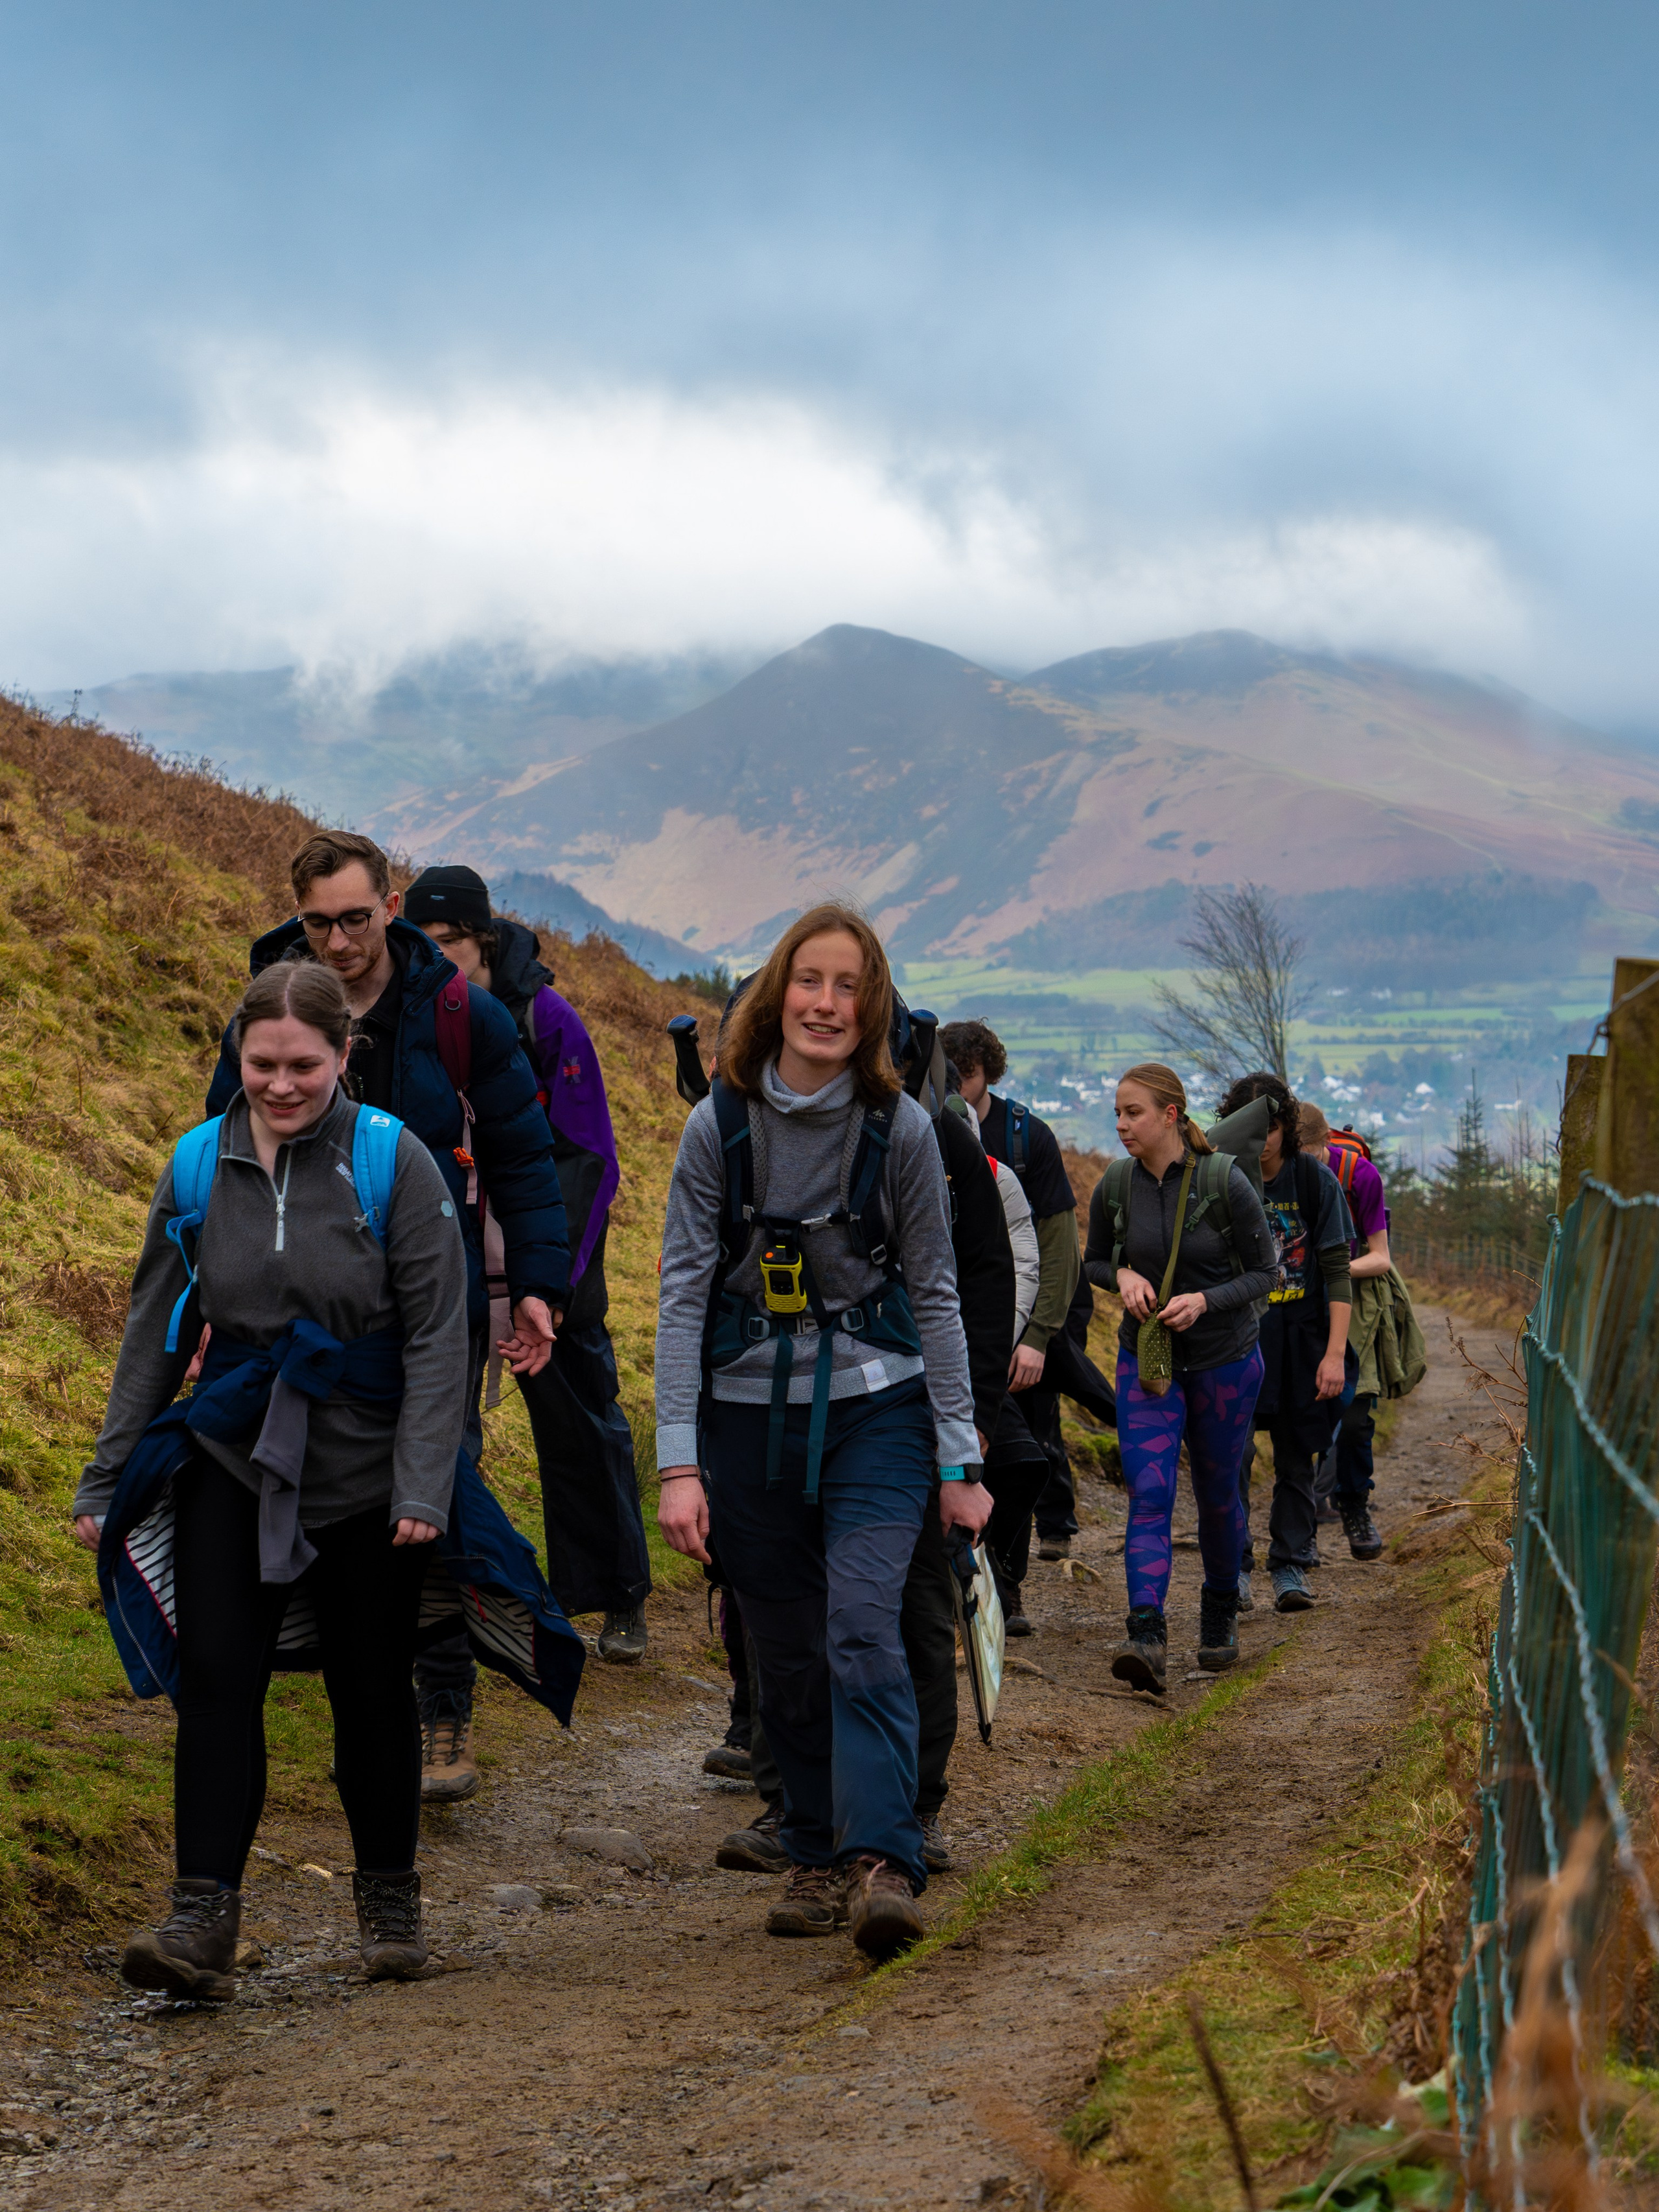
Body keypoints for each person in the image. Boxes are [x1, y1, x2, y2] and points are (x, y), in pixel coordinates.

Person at [76, 963, 470, 1998]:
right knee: (214, 1678)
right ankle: (200, 1916)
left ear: (345, 1056)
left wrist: (425, 1489)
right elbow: (155, 1333)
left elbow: (438, 1336)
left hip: (368, 1464)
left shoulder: (397, 1162)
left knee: (371, 1684)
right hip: (231, 1450)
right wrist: (105, 1475)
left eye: (305, 1064)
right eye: (262, 1065)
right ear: (235, 1056)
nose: (283, 1085)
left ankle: (389, 1895)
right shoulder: (198, 1165)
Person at [205, 832, 570, 1804]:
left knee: (432, 1490)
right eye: (319, 921)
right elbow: (220, 1151)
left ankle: (440, 1705)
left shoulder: (460, 1012)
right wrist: (203, 1301)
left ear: (391, 902)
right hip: (293, 1315)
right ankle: (333, 1666)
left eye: (357, 918)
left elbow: (525, 1156)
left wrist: (538, 1283)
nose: (339, 941)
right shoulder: (271, 1002)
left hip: (431, 1307)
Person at [656, 903, 990, 1960]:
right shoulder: (719, 1127)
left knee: (859, 1620)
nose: (827, 1003)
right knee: (787, 1650)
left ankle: (887, 1855)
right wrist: (676, 1461)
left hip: (880, 1409)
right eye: (811, 980)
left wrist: (960, 1452)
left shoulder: (904, 1131)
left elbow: (935, 1291)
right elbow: (678, 1293)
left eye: (851, 986)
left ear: (874, 1006)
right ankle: (811, 1848)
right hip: (745, 1417)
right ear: (777, 991)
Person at [404, 863, 653, 1664]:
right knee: (441, 1433)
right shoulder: (415, 1010)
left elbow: (589, 1155)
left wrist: (555, 1280)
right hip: (447, 1255)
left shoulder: (548, 1019)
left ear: (483, 936)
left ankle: (617, 1597)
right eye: (424, 941)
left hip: (553, 1256)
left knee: (583, 1428)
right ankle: (452, 1614)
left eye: (450, 942)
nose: (437, 956)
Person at [1085, 1064, 1278, 1690]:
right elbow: (1093, 1259)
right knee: (1149, 1488)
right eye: (1117, 1112)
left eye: (1133, 1112)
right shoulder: (1115, 1184)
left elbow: (1266, 1274)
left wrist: (1206, 1300)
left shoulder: (1224, 1181)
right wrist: (1124, 1277)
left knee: (1219, 1493)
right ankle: (1146, 1634)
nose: (1120, 1125)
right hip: (1148, 1361)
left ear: (1171, 1114)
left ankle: (1219, 1609)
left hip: (1225, 1361)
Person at [1216, 1073, 1355, 1614]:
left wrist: (1335, 1352)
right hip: (1236, 1337)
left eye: (1274, 1127)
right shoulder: (1222, 1177)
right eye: (1256, 1128)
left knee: (1298, 1453)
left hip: (1303, 1336)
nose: (1266, 1139)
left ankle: (1292, 1561)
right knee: (1235, 1455)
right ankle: (1236, 1567)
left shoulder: (1314, 1181)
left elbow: (1337, 1270)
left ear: (1287, 1127)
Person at [1298, 1104, 1390, 1561]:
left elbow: (1381, 1256)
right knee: (1301, 1409)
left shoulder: (1361, 1175)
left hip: (1353, 1296)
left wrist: (1333, 1271)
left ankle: (1354, 1503)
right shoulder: (1272, 1173)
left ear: (1324, 1146)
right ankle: (1301, 1525)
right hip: (1293, 1300)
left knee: (1354, 1413)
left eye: (1309, 1157)